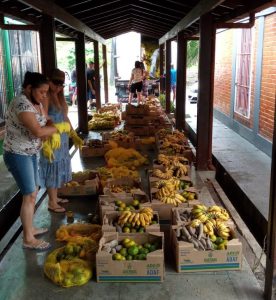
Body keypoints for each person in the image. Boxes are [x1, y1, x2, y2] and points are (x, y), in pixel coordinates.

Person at [3, 71, 57, 251]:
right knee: (29, 194)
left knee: (34, 191)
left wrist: (50, 126)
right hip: (18, 154)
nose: (44, 96)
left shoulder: (36, 103)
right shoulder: (21, 104)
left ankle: (30, 228)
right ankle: (27, 238)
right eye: (41, 92)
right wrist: (55, 129)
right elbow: (39, 131)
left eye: (46, 92)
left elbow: (47, 121)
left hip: (31, 153)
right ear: (28, 88)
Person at [39, 68, 81, 214]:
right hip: (52, 138)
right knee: (52, 167)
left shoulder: (60, 97)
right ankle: (51, 202)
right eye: (56, 84)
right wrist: (49, 136)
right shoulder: (45, 97)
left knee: (60, 166)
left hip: (62, 137)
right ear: (48, 81)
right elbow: (43, 118)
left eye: (61, 85)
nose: (58, 88)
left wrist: (73, 133)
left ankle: (55, 198)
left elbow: (64, 117)